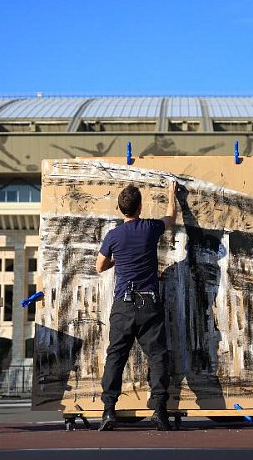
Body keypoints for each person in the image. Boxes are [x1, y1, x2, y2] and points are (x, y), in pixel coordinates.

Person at [95, 180, 178, 431]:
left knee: (116, 357)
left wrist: (116, 260)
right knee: (158, 355)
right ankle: (160, 410)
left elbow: (99, 266)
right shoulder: (150, 228)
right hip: (149, 302)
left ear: (120, 209)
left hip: (123, 304)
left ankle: (109, 410)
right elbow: (171, 218)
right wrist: (172, 194)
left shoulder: (113, 236)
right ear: (140, 207)